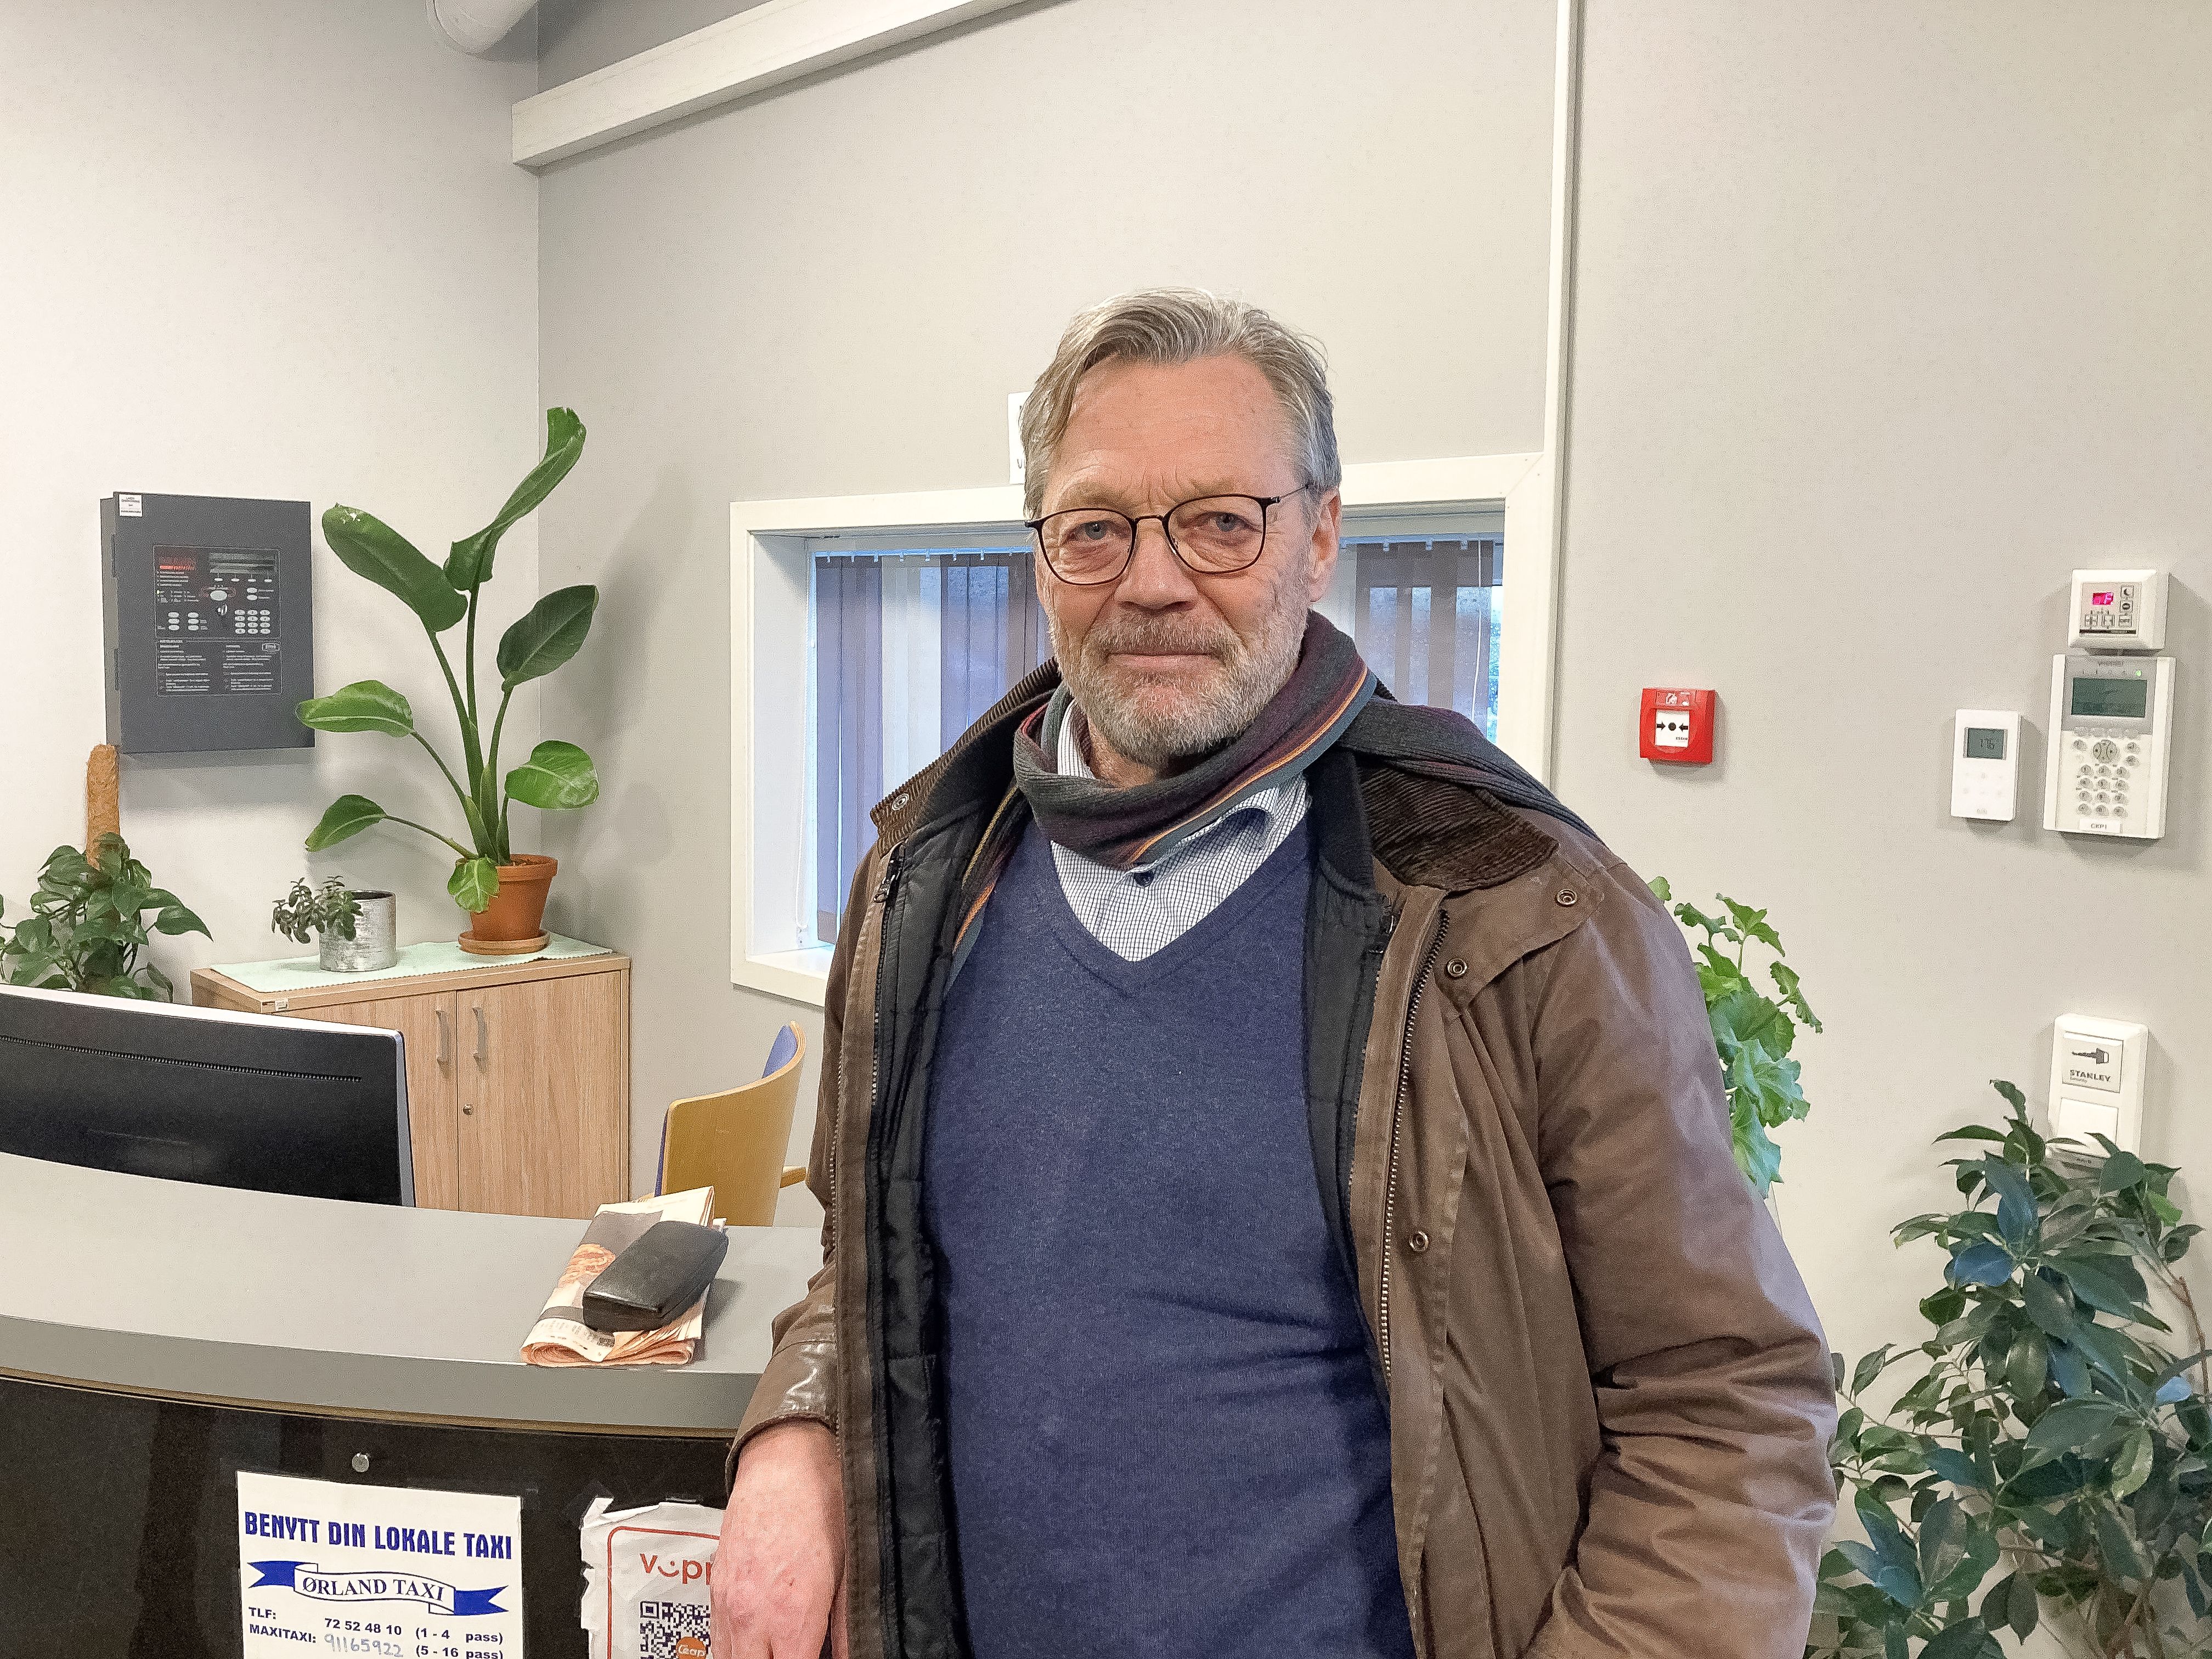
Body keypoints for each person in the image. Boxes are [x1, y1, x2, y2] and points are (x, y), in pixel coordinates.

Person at [711, 287, 1837, 1659]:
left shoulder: (1513, 912)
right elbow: (865, 1261)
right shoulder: (927, 884)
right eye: (1096, 527)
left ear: (1320, 537)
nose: (1153, 581)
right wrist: (801, 1431)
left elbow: (1726, 1400)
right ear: (1042, 555)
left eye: (1221, 522)